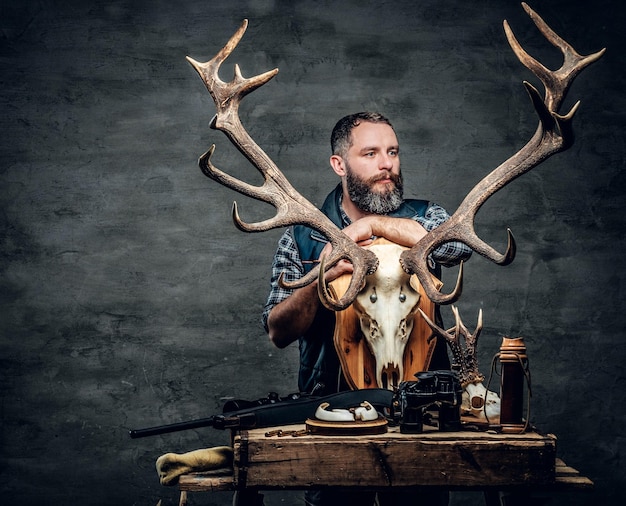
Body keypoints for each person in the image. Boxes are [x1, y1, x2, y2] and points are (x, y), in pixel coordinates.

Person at [261, 112, 472, 505]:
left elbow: (458, 247)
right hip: (335, 420)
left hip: (421, 422)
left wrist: (368, 227)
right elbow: (278, 331)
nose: (386, 163)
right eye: (370, 153)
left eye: (392, 151)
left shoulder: (429, 217)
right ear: (339, 164)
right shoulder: (302, 237)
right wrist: (317, 282)